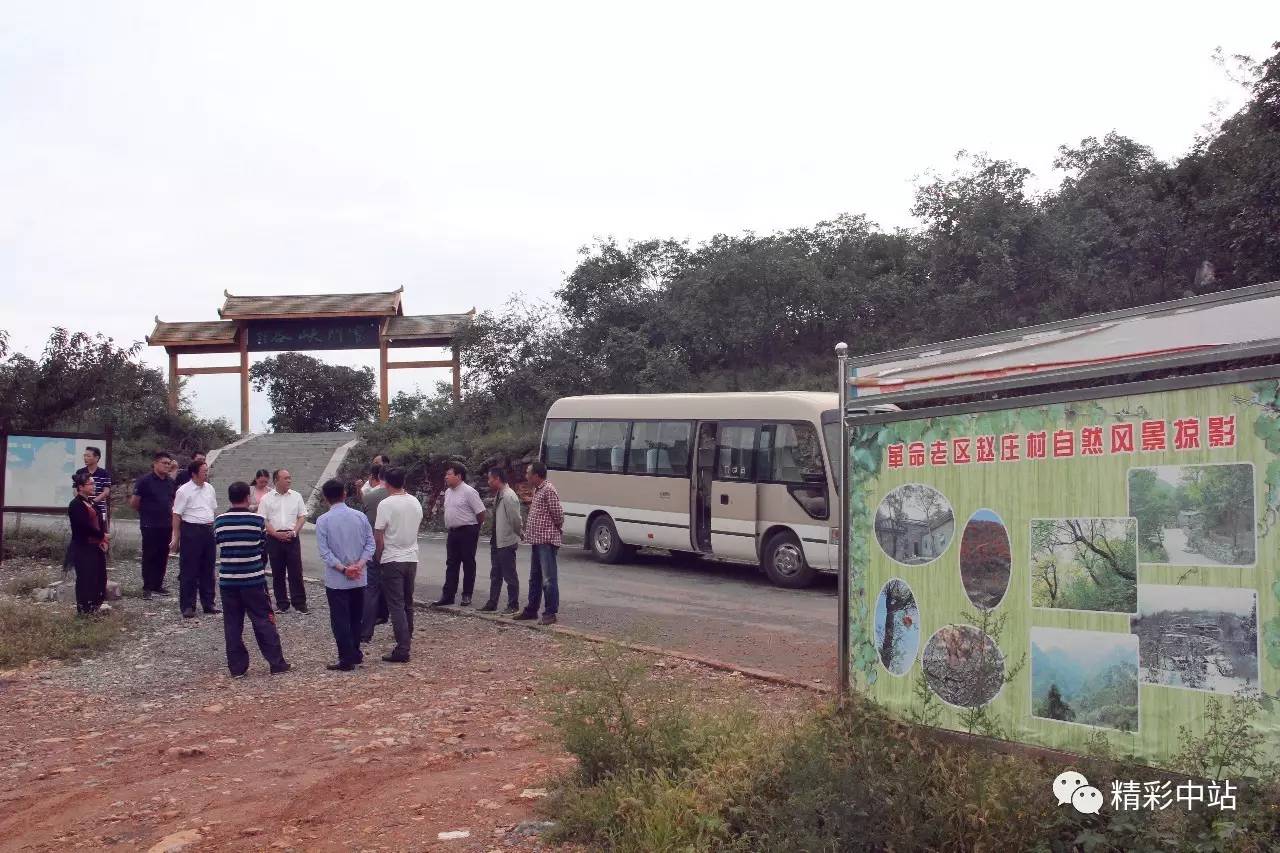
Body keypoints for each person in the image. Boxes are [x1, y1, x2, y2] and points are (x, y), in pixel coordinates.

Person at [215, 481, 290, 677]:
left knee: (232, 624)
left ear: (230, 498)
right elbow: (263, 546)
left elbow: (218, 543)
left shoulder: (220, 521)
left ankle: (237, 667)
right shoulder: (256, 521)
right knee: (264, 620)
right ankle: (276, 662)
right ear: (247, 498)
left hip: (228, 581)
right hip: (253, 580)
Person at [316, 479, 375, 671]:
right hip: (359, 576)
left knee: (340, 619)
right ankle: (355, 652)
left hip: (337, 580)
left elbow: (325, 552)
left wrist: (343, 568)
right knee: (356, 617)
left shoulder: (323, 520)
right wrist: (359, 564)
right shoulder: (360, 517)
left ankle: (346, 658)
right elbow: (370, 544)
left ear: (326, 498)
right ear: (344, 494)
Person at [373, 467, 423, 663]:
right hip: (411, 556)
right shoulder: (414, 501)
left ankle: (402, 648)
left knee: (396, 605)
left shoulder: (386, 504)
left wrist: (379, 556)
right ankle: (406, 638)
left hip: (392, 557)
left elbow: (379, 535)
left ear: (386, 482)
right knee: (408, 602)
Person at [515, 461, 564, 625]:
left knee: (548, 579)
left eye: (528, 473)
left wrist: (552, 531)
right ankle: (531, 610)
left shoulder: (548, 490)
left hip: (546, 541)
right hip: (536, 540)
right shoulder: (538, 490)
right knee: (534, 578)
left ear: (536, 475)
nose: (526, 476)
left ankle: (550, 613)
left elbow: (559, 515)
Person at [431, 462, 486, 607]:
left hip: (468, 530)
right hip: (453, 532)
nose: (446, 477)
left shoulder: (469, 491)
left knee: (468, 563)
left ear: (459, 476)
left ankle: (467, 595)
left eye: (449, 474)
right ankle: (448, 595)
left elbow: (481, 512)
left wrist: (475, 528)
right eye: (446, 474)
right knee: (451, 564)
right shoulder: (448, 492)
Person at [171, 459, 220, 618]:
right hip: (191, 529)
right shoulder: (183, 491)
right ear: (194, 473)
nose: (207, 473)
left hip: (207, 529)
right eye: (204, 470)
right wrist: (176, 537)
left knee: (208, 568)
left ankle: (208, 603)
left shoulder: (210, 488)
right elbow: (177, 515)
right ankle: (188, 606)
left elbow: (212, 510)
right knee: (189, 569)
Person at [258, 469, 308, 613]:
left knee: (296, 571)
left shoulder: (296, 496)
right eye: (285, 478)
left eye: (289, 478)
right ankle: (282, 603)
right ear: (276, 481)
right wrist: (274, 534)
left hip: (292, 536)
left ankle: (299, 603)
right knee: (277, 571)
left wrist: (294, 531)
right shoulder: (267, 498)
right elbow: (263, 519)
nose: (289, 481)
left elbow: (302, 516)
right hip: (274, 538)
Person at [130, 450, 177, 598]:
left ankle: (158, 584)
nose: (167, 466)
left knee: (163, 555)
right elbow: (135, 502)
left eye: (169, 464)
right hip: (150, 524)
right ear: (155, 463)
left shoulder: (170, 482)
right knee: (149, 555)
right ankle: (147, 587)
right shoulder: (144, 481)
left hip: (166, 524)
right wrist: (147, 512)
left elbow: (173, 501)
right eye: (164, 463)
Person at [480, 467, 522, 614]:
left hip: (506, 541)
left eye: (490, 478)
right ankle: (492, 602)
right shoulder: (500, 494)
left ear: (497, 478)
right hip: (496, 540)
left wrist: (520, 533)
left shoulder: (509, 496)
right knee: (495, 574)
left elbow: (515, 519)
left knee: (509, 574)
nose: (488, 481)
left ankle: (513, 604)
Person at [68, 472, 110, 615]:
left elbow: (100, 521)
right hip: (84, 546)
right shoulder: (76, 505)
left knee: (99, 577)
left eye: (94, 483)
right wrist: (101, 535)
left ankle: (94, 607)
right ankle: (84, 609)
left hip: (96, 545)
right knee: (86, 577)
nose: (94, 486)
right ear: (80, 487)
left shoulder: (91, 502)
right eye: (90, 484)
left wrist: (103, 539)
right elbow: (83, 527)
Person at [359, 463, 391, 643]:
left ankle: (366, 631)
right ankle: (403, 631)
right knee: (396, 590)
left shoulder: (369, 497)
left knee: (371, 589)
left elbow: (366, 524)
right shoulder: (407, 498)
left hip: (373, 547)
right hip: (397, 551)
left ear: (377, 478)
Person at [74, 445, 112, 531]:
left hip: (99, 509)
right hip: (82, 508)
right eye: (84, 456)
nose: (85, 458)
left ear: (96, 458)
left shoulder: (104, 473)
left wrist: (92, 502)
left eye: (88, 456)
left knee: (100, 534)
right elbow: (75, 490)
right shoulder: (80, 472)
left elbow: (106, 492)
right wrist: (84, 503)